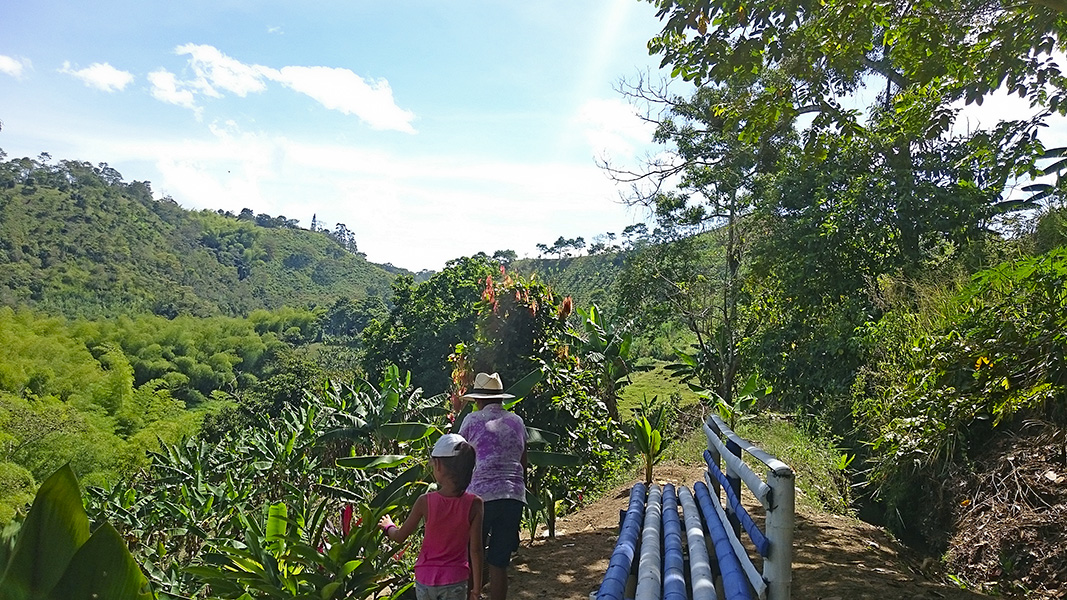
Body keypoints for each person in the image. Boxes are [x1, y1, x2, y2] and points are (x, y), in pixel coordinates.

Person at [378, 433, 484, 600]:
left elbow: (399, 536)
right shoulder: (475, 504)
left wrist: (388, 526)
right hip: (455, 579)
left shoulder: (425, 502)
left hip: (425, 579)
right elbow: (476, 550)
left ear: (438, 465)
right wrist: (476, 589)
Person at [458, 372, 527, 600]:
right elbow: (522, 460)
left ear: (478, 399)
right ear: (501, 398)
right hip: (513, 495)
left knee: (471, 554)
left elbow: (460, 456)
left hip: (480, 496)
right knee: (499, 561)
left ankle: (471, 595)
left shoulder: (471, 421)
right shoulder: (517, 421)